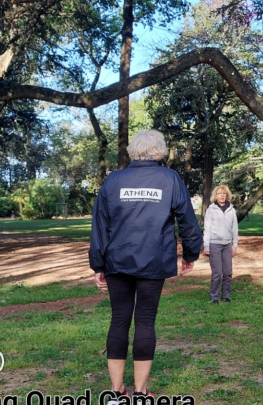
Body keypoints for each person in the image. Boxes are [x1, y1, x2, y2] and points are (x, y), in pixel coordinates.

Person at [89, 130, 203, 403]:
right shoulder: (170, 179)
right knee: (145, 321)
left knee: (119, 320)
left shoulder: (114, 180)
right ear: (159, 150)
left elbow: (99, 226)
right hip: (154, 260)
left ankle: (116, 392)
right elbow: (187, 222)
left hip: (117, 260)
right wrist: (190, 254)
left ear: (133, 150)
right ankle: (140, 392)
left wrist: (98, 264)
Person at [203, 184, 238, 304]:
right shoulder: (211, 210)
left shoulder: (231, 210)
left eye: (224, 193)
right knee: (217, 272)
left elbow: (235, 229)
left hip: (227, 245)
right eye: (219, 194)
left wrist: (235, 245)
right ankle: (214, 297)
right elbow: (207, 229)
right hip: (214, 245)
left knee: (228, 272)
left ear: (227, 195)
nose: (222, 195)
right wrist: (207, 247)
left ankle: (226, 296)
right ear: (215, 196)